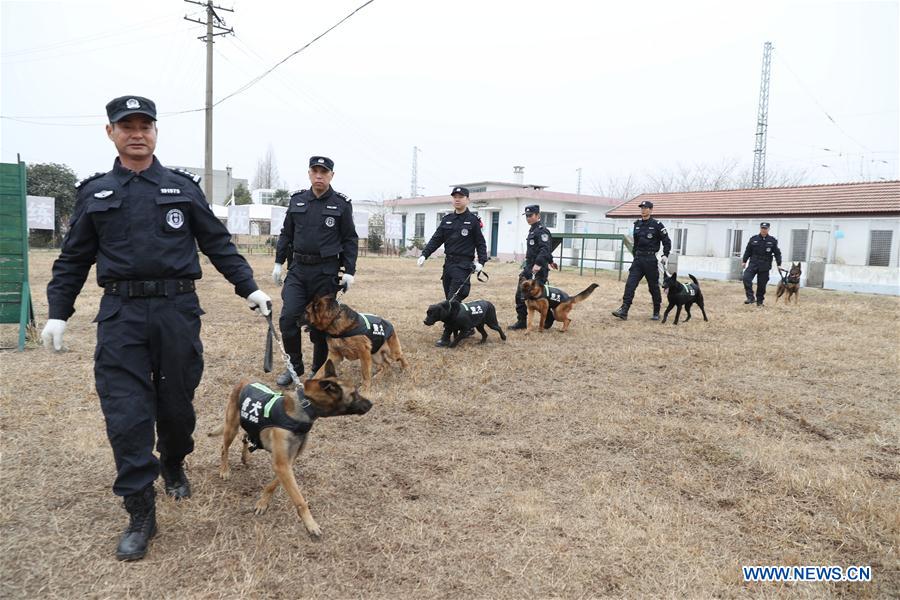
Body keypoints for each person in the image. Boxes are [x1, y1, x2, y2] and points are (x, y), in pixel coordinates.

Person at [40, 95, 272, 561]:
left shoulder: (181, 188)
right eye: (127, 126)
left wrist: (248, 287)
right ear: (111, 133)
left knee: (177, 409)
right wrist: (57, 312)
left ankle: (174, 461)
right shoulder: (96, 192)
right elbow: (72, 260)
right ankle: (140, 510)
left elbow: (217, 242)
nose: (137, 133)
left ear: (156, 132)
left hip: (176, 313)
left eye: (145, 125)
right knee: (126, 414)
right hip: (121, 316)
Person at [273, 156, 358, 385]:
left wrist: (349, 270)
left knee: (321, 325)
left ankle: (318, 370)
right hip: (298, 270)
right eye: (315, 171)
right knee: (288, 318)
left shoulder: (341, 204)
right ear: (309, 173)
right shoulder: (297, 200)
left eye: (324, 172)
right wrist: (279, 262)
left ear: (331, 175)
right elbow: (286, 234)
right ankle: (295, 366)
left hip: (325, 271)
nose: (319, 175)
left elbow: (350, 238)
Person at [416, 186, 488, 346]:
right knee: (452, 301)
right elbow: (436, 239)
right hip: (448, 265)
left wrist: (481, 262)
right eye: (455, 196)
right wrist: (424, 254)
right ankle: (466, 327)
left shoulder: (473, 221)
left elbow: (481, 243)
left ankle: (446, 335)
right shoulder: (447, 219)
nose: (457, 199)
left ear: (467, 200)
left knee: (451, 301)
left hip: (463, 266)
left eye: (461, 196)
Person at [612, 199, 671, 321]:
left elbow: (666, 241)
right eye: (642, 208)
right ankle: (624, 310)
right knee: (630, 285)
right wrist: (635, 256)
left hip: (650, 260)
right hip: (638, 260)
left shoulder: (657, 225)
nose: (643, 210)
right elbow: (636, 243)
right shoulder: (637, 224)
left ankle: (656, 311)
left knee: (653, 287)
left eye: (645, 208)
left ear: (651, 210)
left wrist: (665, 254)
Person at [509, 204, 553, 330]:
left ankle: (549, 318)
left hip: (538, 270)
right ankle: (522, 321)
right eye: (526, 216)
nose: (528, 218)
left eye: (530, 215)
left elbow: (545, 249)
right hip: (529, 267)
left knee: (537, 296)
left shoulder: (542, 231)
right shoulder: (533, 230)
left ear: (538, 216)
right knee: (520, 295)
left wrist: (539, 263)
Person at [741, 221, 782, 306]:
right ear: (760, 228)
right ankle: (750, 298)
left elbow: (777, 253)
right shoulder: (754, 239)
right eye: (762, 228)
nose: (763, 230)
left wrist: (779, 264)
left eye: (765, 228)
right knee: (746, 278)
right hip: (753, 263)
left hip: (765, 265)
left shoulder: (772, 241)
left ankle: (760, 302)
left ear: (768, 229)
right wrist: (744, 261)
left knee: (762, 285)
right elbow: (748, 251)